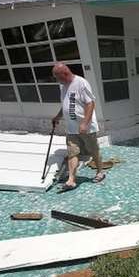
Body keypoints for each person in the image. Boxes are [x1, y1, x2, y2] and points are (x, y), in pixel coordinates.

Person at [51, 62, 104, 190]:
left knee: (93, 151)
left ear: (65, 73)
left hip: (86, 127)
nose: (57, 80)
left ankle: (100, 172)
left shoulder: (81, 83)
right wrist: (58, 116)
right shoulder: (62, 86)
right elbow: (66, 104)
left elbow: (90, 103)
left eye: (57, 77)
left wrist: (85, 123)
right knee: (72, 153)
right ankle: (71, 180)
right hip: (71, 128)